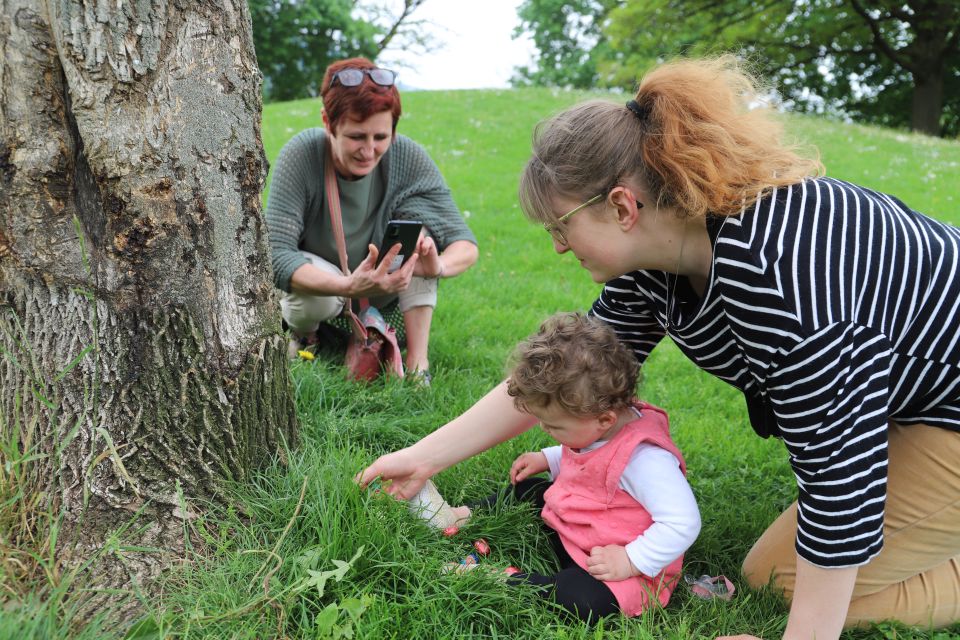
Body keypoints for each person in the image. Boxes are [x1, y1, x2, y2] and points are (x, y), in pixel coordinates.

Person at [357, 55, 960, 639]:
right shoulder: (659, 256)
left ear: (622, 206)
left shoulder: (782, 279)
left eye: (561, 227)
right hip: (911, 397)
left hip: (949, 408)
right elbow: (566, 376)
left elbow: (839, 483)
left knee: (779, 580)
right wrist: (426, 457)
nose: (560, 248)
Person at [466, 312, 700, 622]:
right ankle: (464, 514)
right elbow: (588, 454)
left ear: (605, 419)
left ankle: (506, 580)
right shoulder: (595, 424)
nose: (547, 431)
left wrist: (631, 559)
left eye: (555, 427)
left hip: (612, 560)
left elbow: (684, 522)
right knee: (532, 489)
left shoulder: (645, 461)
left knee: (583, 600)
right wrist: (548, 459)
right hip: (579, 525)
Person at [265, 57, 478, 380]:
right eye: (356, 137)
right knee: (313, 304)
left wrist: (438, 265)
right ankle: (306, 337)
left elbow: (465, 244)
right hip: (324, 281)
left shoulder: (407, 155)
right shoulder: (302, 154)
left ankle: (418, 366)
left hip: (382, 279)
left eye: (380, 137)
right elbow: (276, 254)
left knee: (420, 241)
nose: (369, 150)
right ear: (328, 122)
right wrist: (347, 285)